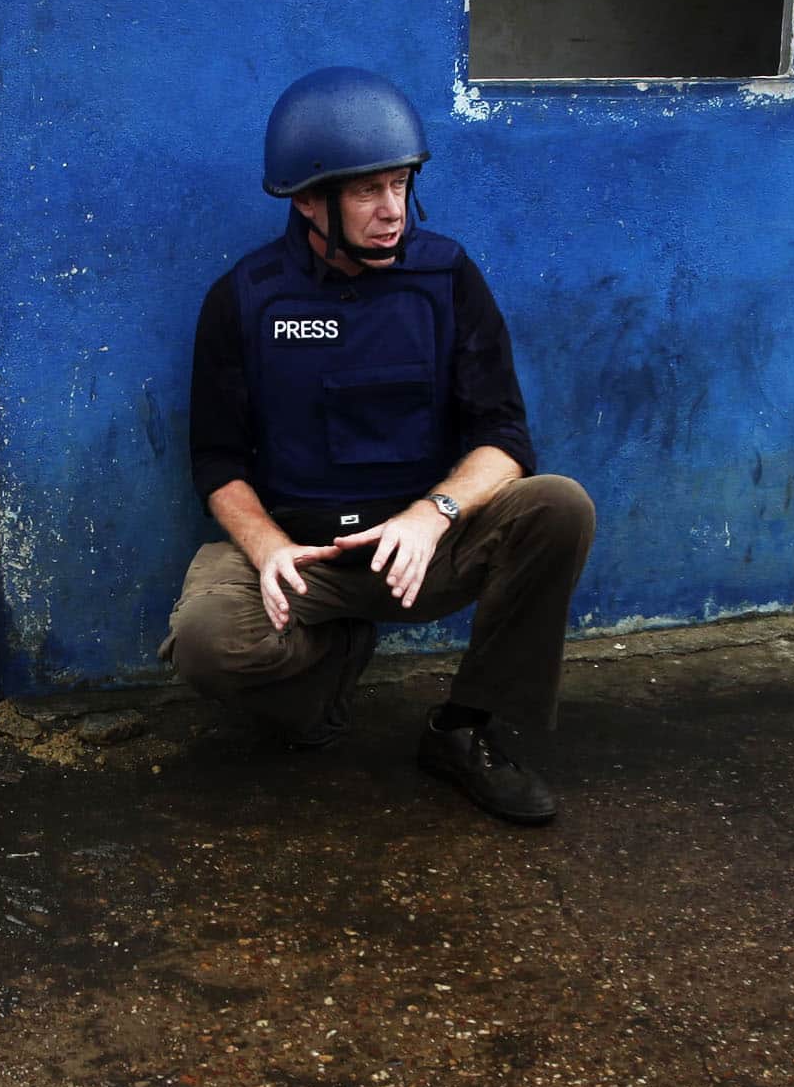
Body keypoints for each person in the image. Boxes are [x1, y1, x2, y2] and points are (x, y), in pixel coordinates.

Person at [161, 67, 595, 823]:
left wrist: (431, 516)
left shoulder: (448, 278)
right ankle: (328, 669)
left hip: (421, 549)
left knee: (559, 505)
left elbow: (505, 437)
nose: (393, 211)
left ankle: (466, 730)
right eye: (367, 191)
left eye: (400, 185)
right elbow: (217, 460)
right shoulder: (246, 299)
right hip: (307, 557)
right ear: (306, 200)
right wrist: (267, 549)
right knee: (204, 639)